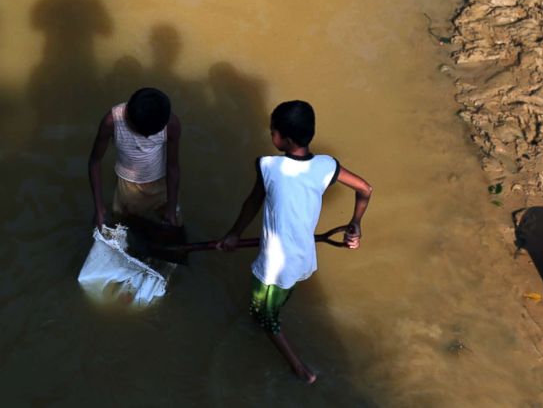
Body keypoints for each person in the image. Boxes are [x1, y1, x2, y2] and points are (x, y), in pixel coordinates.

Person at [216, 100, 372, 384]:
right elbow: (365, 188)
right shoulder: (327, 165)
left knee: (266, 317)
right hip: (303, 259)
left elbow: (252, 204)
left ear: (284, 139)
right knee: (275, 301)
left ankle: (300, 368)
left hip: (274, 266)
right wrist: (355, 225)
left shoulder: (268, 166)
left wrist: (234, 234)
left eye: (272, 131)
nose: (270, 136)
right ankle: (265, 312)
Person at [87, 87, 181, 229]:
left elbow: (173, 166)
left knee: (174, 227)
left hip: (161, 184)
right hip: (127, 186)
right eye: (145, 134)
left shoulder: (170, 124)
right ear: (129, 121)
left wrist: (171, 206)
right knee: (122, 224)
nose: (148, 138)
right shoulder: (111, 122)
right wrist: (99, 208)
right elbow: (95, 162)